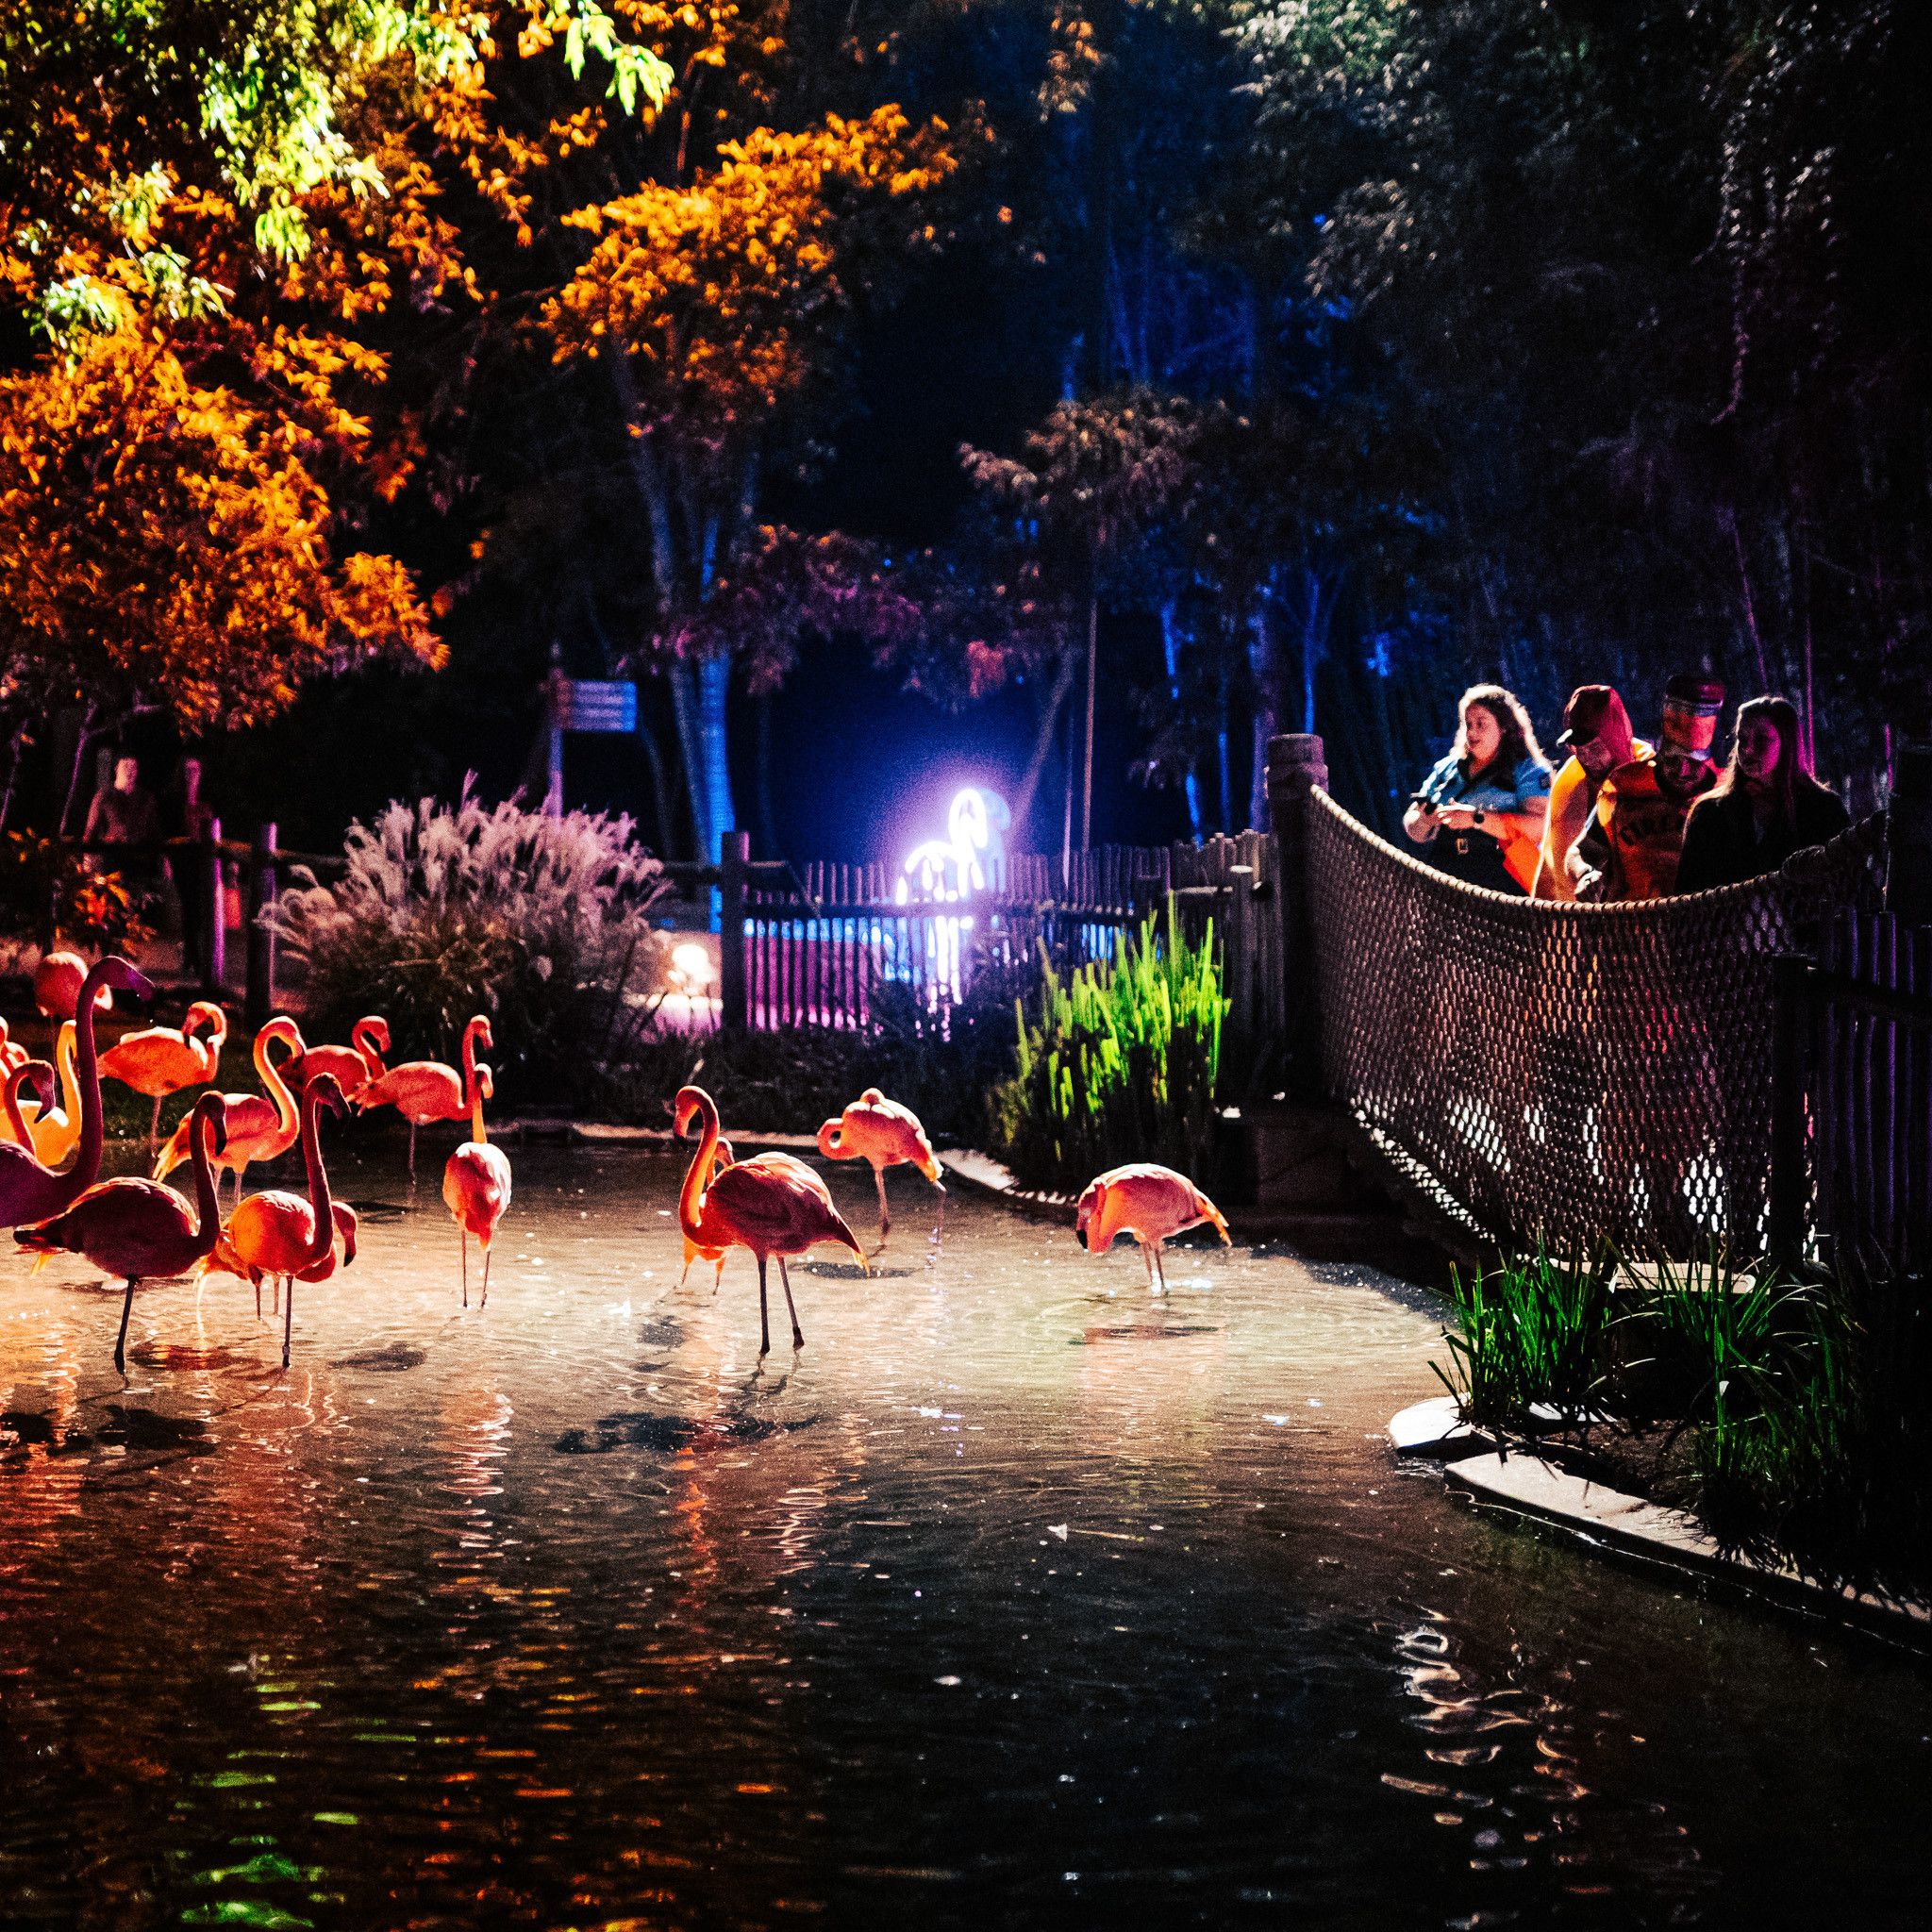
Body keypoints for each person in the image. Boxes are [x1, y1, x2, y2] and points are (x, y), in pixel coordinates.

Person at [1572, 675, 1724, 902]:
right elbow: (1582, 851)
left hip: (1710, 921)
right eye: (1673, 760)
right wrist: (1586, 874)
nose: (1682, 770)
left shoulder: (1727, 795)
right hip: (1635, 920)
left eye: (1694, 763)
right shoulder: (1624, 787)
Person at [1674, 695, 1850, 893]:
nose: (1747, 749)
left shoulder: (1823, 809)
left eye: (1761, 739)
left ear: (1787, 743)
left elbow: (1846, 884)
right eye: (1742, 738)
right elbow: (1687, 895)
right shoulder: (1709, 812)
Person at [1403, 684, 1553, 895]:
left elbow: (1539, 828)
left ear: (1504, 726)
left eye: (1481, 724)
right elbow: (1412, 823)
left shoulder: (1528, 770)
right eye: (1468, 724)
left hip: (1508, 887)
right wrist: (1426, 820)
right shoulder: (1446, 769)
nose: (1472, 732)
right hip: (1448, 884)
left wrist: (1476, 818)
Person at [1532, 685, 1650, 902]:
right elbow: (1549, 870)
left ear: (1615, 740)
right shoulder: (1570, 779)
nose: (1587, 758)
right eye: (1579, 750)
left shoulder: (1650, 777)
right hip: (1575, 916)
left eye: (1595, 748)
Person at [82, 755, 160, 848]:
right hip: (112, 852)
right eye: (125, 766)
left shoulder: (146, 797)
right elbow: (90, 832)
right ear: (116, 769)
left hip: (139, 853)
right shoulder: (103, 796)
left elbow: (154, 831)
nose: (129, 771)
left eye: (133, 767)